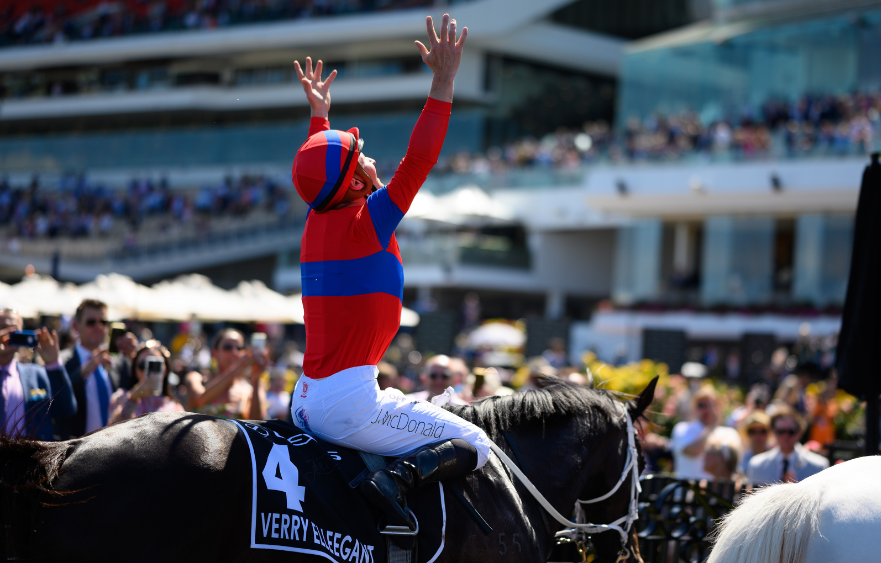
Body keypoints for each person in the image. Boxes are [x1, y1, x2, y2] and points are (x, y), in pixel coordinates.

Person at [289, 14, 490, 534]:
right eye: (361, 156)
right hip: (345, 404)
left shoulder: (319, 217)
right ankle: (394, 486)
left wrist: (320, 119)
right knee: (476, 443)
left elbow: (321, 179)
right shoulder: (368, 219)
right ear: (356, 180)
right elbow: (418, 160)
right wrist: (443, 83)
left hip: (308, 400)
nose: (370, 157)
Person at [55, 299, 130, 439]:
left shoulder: (119, 360)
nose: (98, 327)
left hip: (115, 447)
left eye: (103, 322)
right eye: (91, 322)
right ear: (76, 326)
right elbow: (58, 399)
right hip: (76, 450)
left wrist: (135, 355)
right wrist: (86, 370)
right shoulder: (61, 361)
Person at [0, 310, 76, 440]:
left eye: (14, 331)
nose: (8, 335)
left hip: (31, 457)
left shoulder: (37, 375)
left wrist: (53, 364)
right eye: (3, 328)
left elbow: (66, 409)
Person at [186, 329, 267, 420]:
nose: (234, 352)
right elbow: (200, 400)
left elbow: (257, 422)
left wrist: (256, 379)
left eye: (239, 348)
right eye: (228, 347)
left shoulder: (249, 388)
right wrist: (238, 367)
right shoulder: (196, 379)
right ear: (215, 352)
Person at [669, 386, 740, 480]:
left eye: (711, 405)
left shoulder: (730, 433)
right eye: (701, 405)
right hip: (685, 492)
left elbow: (733, 465)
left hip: (717, 492)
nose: (706, 409)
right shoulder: (681, 428)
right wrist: (711, 426)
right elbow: (692, 451)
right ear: (694, 408)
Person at [747, 406, 829, 486]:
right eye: (781, 432)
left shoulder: (818, 466)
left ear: (799, 432)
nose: (785, 437)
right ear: (773, 432)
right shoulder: (757, 465)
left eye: (791, 432)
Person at [108, 342, 183, 423]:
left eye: (156, 365)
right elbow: (113, 431)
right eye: (142, 365)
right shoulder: (120, 398)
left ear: (165, 370)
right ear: (135, 370)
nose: (148, 371)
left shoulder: (175, 408)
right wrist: (132, 398)